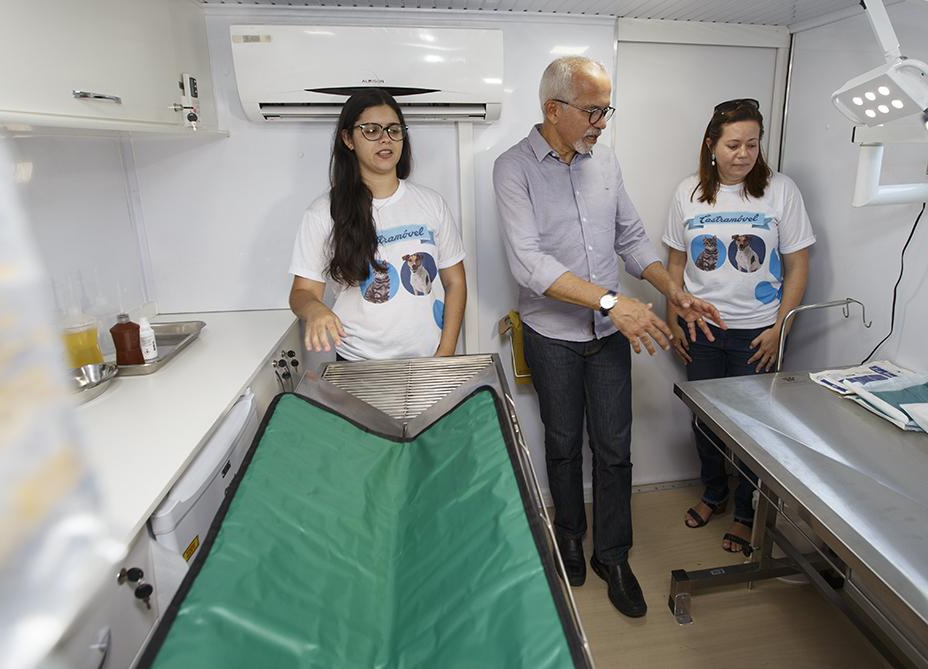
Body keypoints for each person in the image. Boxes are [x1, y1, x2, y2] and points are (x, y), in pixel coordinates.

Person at [493, 56, 724, 618]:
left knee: (615, 450)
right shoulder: (512, 168)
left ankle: (612, 556)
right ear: (553, 109)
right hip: (552, 335)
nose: (602, 122)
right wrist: (612, 302)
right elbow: (529, 264)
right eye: (593, 111)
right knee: (563, 444)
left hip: (608, 333)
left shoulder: (606, 162)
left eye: (606, 110)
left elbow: (633, 239)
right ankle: (570, 537)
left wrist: (673, 290)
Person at [663, 98, 814, 554]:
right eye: (733, 144)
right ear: (711, 145)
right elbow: (675, 263)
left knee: (753, 427)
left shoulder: (780, 190)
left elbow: (798, 264)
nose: (743, 153)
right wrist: (673, 320)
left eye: (752, 143)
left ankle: (748, 513)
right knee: (705, 421)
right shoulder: (688, 192)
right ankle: (715, 492)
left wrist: (780, 328)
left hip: (758, 332)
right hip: (702, 329)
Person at [289, 89, 467, 360]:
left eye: (394, 130)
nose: (385, 139)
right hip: (358, 362)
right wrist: (314, 309)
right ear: (348, 139)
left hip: (428, 359)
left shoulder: (432, 203)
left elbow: (455, 282)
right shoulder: (323, 212)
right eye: (371, 130)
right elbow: (302, 293)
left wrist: (445, 351)